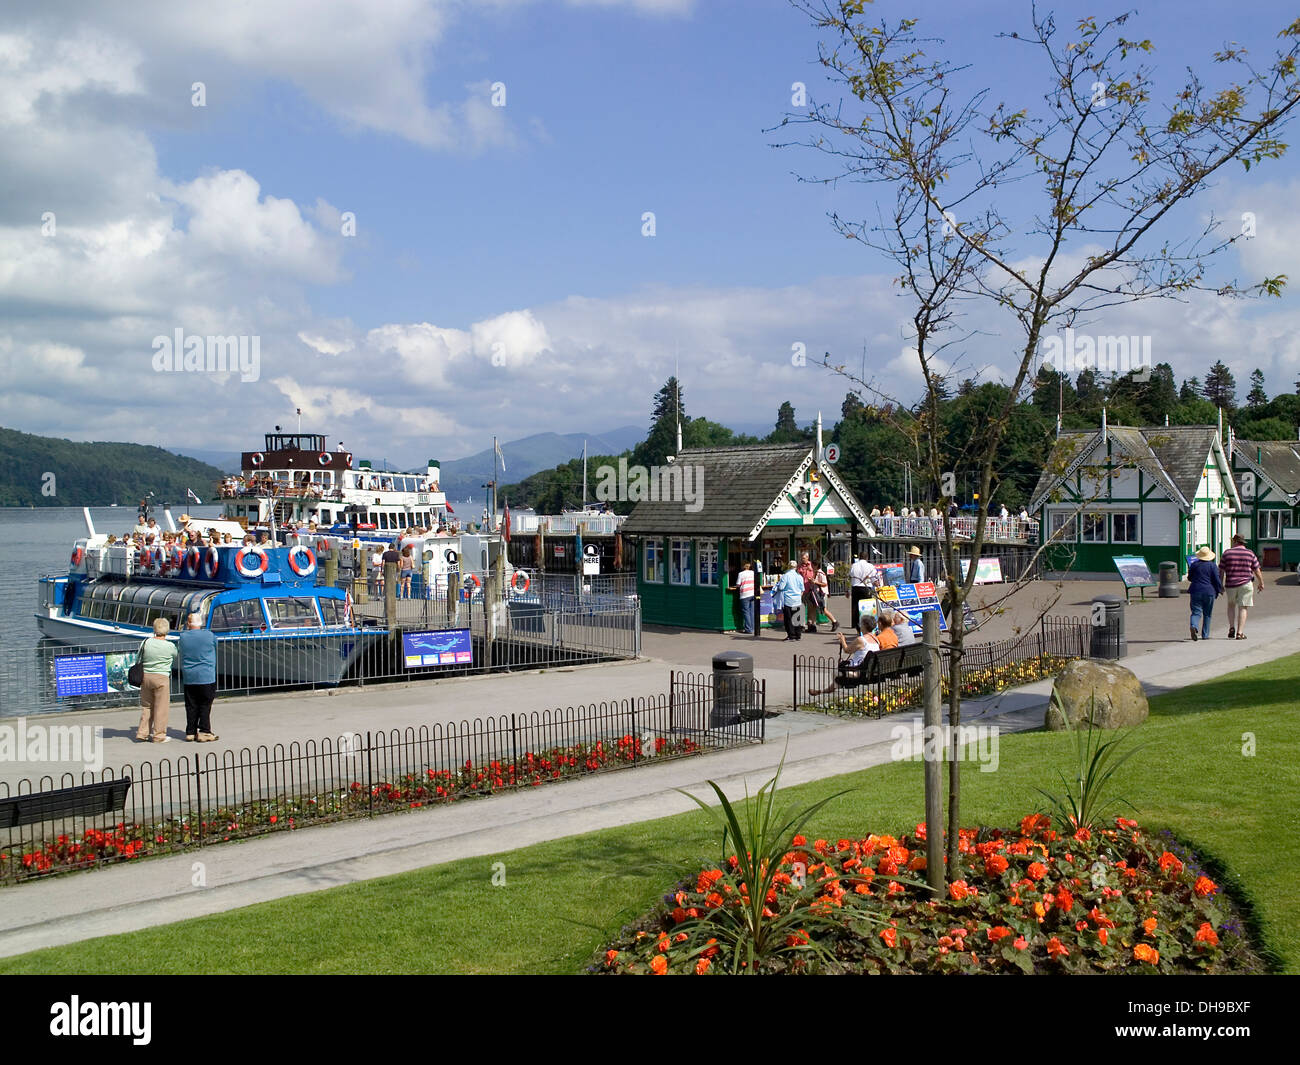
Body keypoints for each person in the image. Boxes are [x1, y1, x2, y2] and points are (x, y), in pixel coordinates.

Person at [177, 612, 219, 742]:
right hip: (206, 675)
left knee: (191, 705)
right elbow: (216, 647)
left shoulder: (183, 637)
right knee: (205, 704)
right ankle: (204, 731)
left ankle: (190, 731)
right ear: (201, 623)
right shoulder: (210, 635)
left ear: (188, 624)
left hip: (190, 676)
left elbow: (180, 650)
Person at [135, 618, 177, 743]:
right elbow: (175, 655)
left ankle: (142, 733)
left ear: (154, 629)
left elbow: (138, 657)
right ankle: (159, 735)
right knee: (161, 707)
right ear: (167, 630)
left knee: (147, 706)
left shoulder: (146, 642)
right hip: (161, 678)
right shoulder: (170, 646)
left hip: (146, 677)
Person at [1220, 533, 1263, 640]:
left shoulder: (1227, 553)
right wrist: (1261, 582)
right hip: (1246, 583)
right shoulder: (1250, 553)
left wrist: (1220, 584)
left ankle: (1231, 628)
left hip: (1230, 584)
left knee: (1231, 606)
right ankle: (1239, 633)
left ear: (1234, 541)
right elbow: (1257, 570)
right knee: (1243, 608)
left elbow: (1221, 571)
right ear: (1243, 542)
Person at [1186, 546, 1222, 641]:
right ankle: (1205, 634)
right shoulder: (1212, 566)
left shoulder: (1194, 564)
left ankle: (1194, 625)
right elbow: (1216, 579)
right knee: (1207, 614)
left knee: (1196, 612)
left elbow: (1189, 577)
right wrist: (1219, 589)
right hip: (1209, 591)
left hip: (1195, 590)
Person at [773, 561, 805, 641]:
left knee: (789, 619)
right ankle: (798, 635)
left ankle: (791, 635)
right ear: (796, 567)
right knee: (797, 618)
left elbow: (781, 587)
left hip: (788, 600)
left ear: (788, 566)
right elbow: (802, 589)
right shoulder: (799, 576)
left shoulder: (785, 576)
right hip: (797, 600)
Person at [848, 552, 878, 631]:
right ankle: (867, 626)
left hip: (855, 587)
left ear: (859, 557)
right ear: (867, 557)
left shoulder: (854, 566)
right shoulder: (870, 566)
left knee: (856, 607)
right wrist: (876, 583)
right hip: (866, 587)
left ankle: (858, 626)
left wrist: (847, 590)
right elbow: (874, 578)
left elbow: (850, 576)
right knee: (866, 607)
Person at [812, 562, 839, 632]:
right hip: (817, 593)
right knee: (817, 609)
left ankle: (834, 621)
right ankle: (812, 625)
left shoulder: (821, 573)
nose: (811, 566)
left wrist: (815, 582)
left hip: (821, 594)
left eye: (813, 565)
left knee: (823, 609)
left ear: (816, 565)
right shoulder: (816, 573)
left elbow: (824, 584)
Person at [796, 552, 819, 633]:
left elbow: (815, 575)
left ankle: (812, 625)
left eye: (804, 558)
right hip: (802, 590)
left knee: (811, 608)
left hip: (810, 590)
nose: (802, 559)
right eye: (802, 558)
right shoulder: (799, 566)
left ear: (807, 558)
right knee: (801, 608)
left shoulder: (811, 566)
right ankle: (802, 625)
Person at [735, 561, 756, 634]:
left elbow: (738, 584)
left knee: (746, 612)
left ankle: (748, 629)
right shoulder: (753, 572)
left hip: (745, 594)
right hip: (753, 593)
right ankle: (753, 628)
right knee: (752, 612)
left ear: (743, 566)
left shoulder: (741, 574)